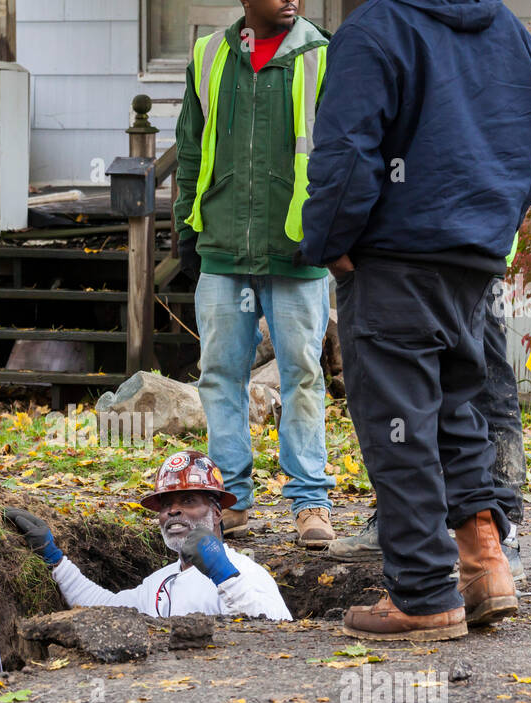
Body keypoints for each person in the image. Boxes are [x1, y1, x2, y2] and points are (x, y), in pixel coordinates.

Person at [295, 0, 531, 641]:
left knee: (398, 423)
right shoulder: (510, 34)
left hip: (392, 258)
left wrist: (328, 243)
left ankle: (423, 594)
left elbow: (346, 154)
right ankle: (485, 567)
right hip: (471, 259)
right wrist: (486, 230)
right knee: (454, 413)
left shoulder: (376, 29)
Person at [174, 0, 337, 549]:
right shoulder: (209, 56)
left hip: (299, 247)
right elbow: (191, 149)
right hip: (222, 246)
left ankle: (310, 501)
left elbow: (340, 151)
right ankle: (230, 501)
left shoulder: (320, 55)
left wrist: (335, 230)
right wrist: (186, 231)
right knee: (220, 375)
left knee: (303, 374)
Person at [329, 246, 529, 581]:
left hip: (452, 251)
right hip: (417, 251)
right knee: (417, 397)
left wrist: (329, 242)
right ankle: (475, 551)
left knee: (480, 387)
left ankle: (496, 532)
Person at [4, 451, 291, 621]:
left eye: (188, 502)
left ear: (217, 513)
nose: (173, 512)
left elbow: (274, 632)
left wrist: (225, 575)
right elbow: (106, 608)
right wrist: (54, 558)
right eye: (166, 506)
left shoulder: (246, 574)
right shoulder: (160, 582)